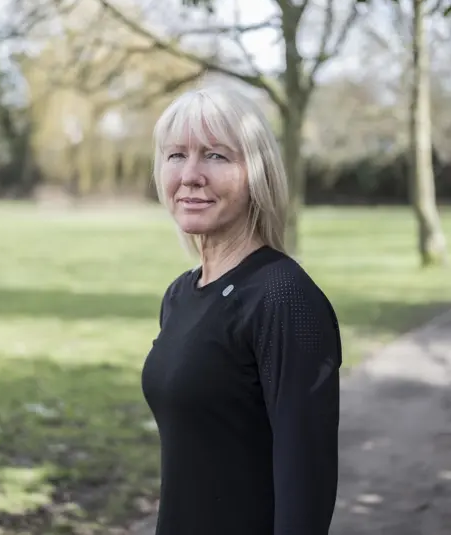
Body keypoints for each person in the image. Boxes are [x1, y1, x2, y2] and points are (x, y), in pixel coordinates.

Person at [141, 85, 342, 535]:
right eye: (176, 155)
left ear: (257, 173)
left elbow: (304, 489)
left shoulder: (284, 298)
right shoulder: (180, 295)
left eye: (215, 155)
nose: (190, 174)